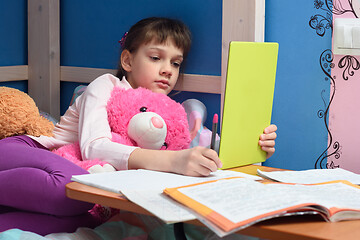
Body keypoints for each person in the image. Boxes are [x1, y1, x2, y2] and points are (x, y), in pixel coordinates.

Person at [0, 17, 277, 235]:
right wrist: (171, 161)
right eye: (156, 58)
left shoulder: (168, 112)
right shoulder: (105, 85)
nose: (168, 69)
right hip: (29, 152)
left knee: (91, 219)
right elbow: (93, 147)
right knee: (73, 190)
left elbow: (195, 150)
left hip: (56, 178)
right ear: (128, 60)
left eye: (176, 63)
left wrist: (254, 146)